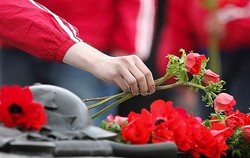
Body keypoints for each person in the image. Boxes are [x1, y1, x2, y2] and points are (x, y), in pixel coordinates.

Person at [0, 0, 156, 124]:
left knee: (84, 124)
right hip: (13, 41)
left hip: (90, 40)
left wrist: (126, 45)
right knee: (9, 125)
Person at [155, 0, 250, 118]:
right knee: (210, 130)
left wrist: (230, 22)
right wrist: (178, 73)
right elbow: (179, 23)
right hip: (208, 62)